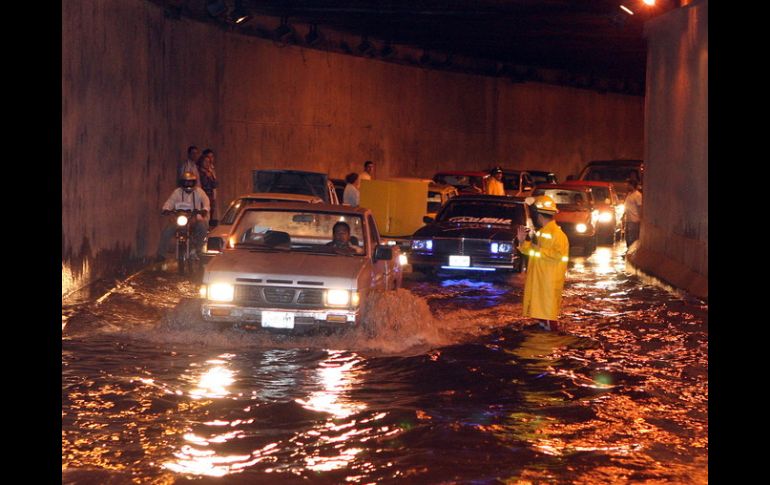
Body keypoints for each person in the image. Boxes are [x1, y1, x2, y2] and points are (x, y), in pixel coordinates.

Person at [516, 195, 570, 332]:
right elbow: (533, 251)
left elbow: (557, 256)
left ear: (538, 215)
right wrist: (522, 242)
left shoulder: (558, 235)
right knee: (541, 317)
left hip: (547, 283)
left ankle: (548, 346)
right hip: (540, 281)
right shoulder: (542, 233)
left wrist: (539, 249)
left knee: (548, 320)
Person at [155, 171, 210, 262]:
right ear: (182, 182)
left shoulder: (199, 192)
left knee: (202, 227)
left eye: (190, 182)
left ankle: (198, 250)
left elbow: (206, 201)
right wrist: (166, 209)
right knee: (167, 230)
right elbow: (170, 202)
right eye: (186, 182)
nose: (188, 184)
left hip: (194, 217)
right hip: (180, 218)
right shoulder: (177, 192)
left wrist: (204, 209)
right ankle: (161, 255)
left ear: (194, 182)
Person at [197, 148, 218, 227]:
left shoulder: (210, 172)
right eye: (205, 162)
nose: (207, 164)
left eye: (208, 162)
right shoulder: (199, 172)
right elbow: (203, 183)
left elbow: (215, 184)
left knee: (210, 214)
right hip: (202, 196)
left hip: (210, 195)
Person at [624, 178, 642, 248]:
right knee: (627, 237)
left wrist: (640, 218)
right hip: (628, 220)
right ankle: (628, 251)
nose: (627, 187)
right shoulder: (629, 194)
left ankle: (632, 252)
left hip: (634, 220)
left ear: (632, 185)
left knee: (632, 238)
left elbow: (640, 207)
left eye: (628, 185)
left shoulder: (638, 195)